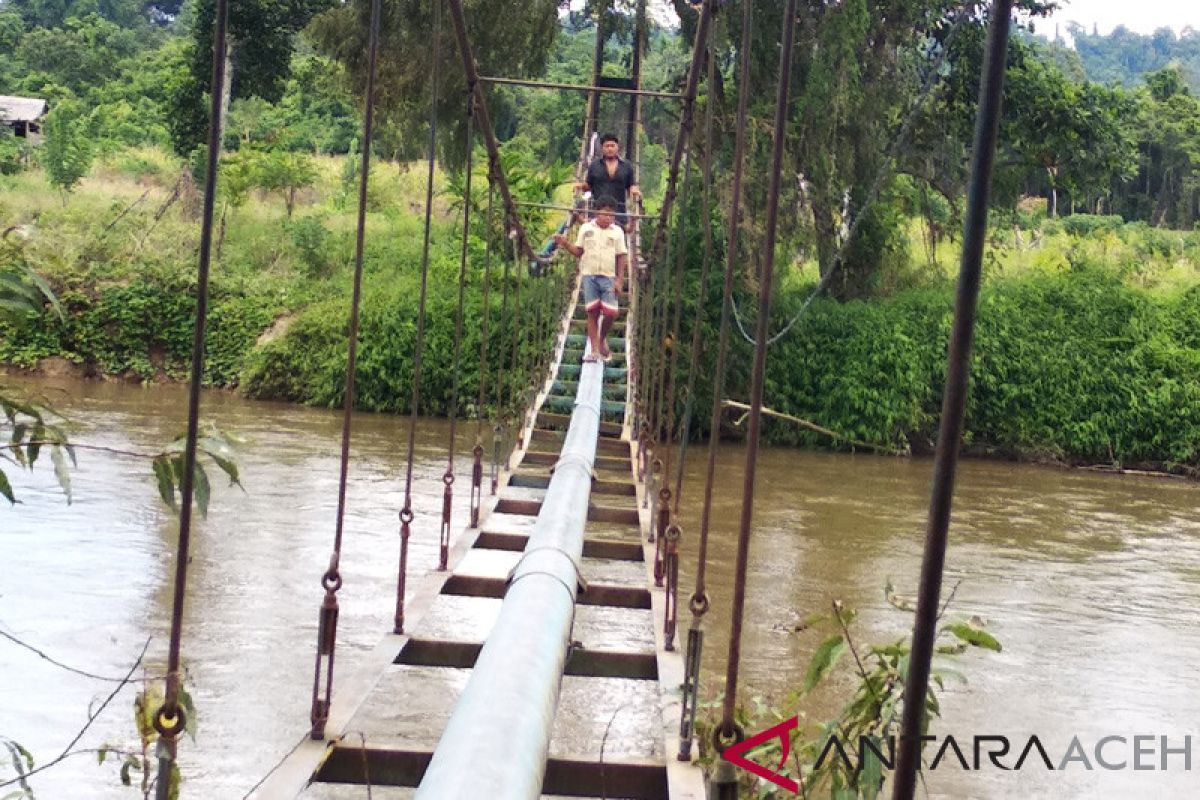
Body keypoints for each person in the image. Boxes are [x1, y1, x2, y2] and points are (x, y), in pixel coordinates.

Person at [554, 199, 627, 363]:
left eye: (611, 214)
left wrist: (620, 280)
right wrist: (565, 243)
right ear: (597, 213)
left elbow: (622, 256)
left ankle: (601, 339)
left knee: (611, 312)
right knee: (592, 312)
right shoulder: (586, 229)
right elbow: (578, 251)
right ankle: (594, 351)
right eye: (605, 213)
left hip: (609, 277)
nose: (608, 217)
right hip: (589, 276)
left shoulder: (617, 232)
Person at [578, 133, 642, 231]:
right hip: (598, 212)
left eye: (612, 146)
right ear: (602, 148)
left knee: (617, 240)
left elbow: (630, 186)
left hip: (619, 212)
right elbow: (588, 185)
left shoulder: (627, 166)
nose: (610, 149)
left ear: (617, 147)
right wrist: (580, 186)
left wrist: (634, 190)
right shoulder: (594, 165)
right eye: (607, 146)